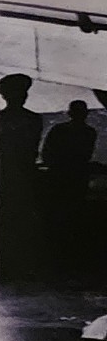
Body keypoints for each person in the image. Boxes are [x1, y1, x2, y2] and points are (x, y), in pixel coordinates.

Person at [39, 98, 99, 279]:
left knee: (59, 216)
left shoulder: (59, 130)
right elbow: (85, 156)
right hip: (76, 178)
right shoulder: (89, 132)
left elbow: (47, 153)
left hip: (60, 177)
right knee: (74, 215)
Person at [0, 74, 45, 284]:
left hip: (11, 175)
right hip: (18, 175)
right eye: (19, 93)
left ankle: (14, 267)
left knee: (14, 222)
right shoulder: (33, 119)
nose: (23, 97)